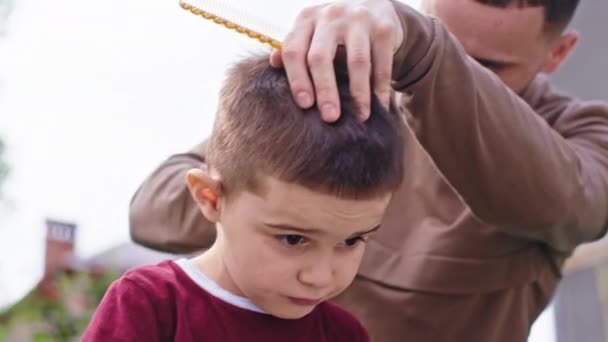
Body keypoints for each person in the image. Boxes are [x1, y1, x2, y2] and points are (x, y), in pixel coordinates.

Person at [130, 0, 608, 341]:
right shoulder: (354, 102)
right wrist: (284, 192)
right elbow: (152, 209)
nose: (320, 277)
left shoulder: (580, 135)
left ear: (558, 53)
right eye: (446, 44)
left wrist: (425, 49)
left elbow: (576, 203)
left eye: (483, 67)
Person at [83, 55, 405, 341]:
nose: (320, 277)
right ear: (210, 198)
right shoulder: (151, 305)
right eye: (293, 239)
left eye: (351, 241)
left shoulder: (343, 334)